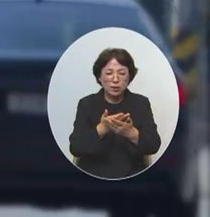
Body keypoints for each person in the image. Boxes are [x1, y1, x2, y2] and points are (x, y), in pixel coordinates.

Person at [69, 47, 161, 179]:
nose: (115, 79)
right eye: (109, 73)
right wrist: (102, 129)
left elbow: (154, 144)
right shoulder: (86, 104)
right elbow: (75, 147)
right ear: (99, 76)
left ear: (130, 76)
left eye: (122, 73)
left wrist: (131, 133)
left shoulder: (141, 103)